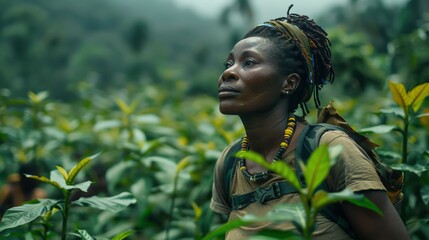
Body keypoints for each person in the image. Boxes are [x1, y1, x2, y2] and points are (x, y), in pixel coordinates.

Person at [210, 5, 409, 239]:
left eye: (249, 63)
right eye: (228, 64)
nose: (228, 73)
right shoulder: (231, 163)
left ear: (289, 83)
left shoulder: (331, 150)